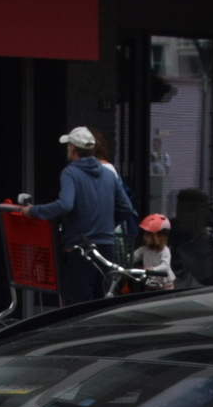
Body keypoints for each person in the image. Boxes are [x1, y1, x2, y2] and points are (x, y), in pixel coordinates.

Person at [25, 126, 137, 305]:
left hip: (80, 247)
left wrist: (33, 211)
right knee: (102, 302)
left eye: (68, 146)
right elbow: (126, 208)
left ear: (73, 149)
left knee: (78, 303)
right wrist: (108, 225)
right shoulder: (109, 174)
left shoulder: (71, 172)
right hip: (107, 246)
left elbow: (65, 204)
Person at [136, 213, 175, 291]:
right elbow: (133, 257)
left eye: (148, 234)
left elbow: (165, 266)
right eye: (144, 234)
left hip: (165, 286)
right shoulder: (144, 249)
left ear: (159, 236)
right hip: (151, 285)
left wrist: (152, 269)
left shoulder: (164, 250)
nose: (144, 237)